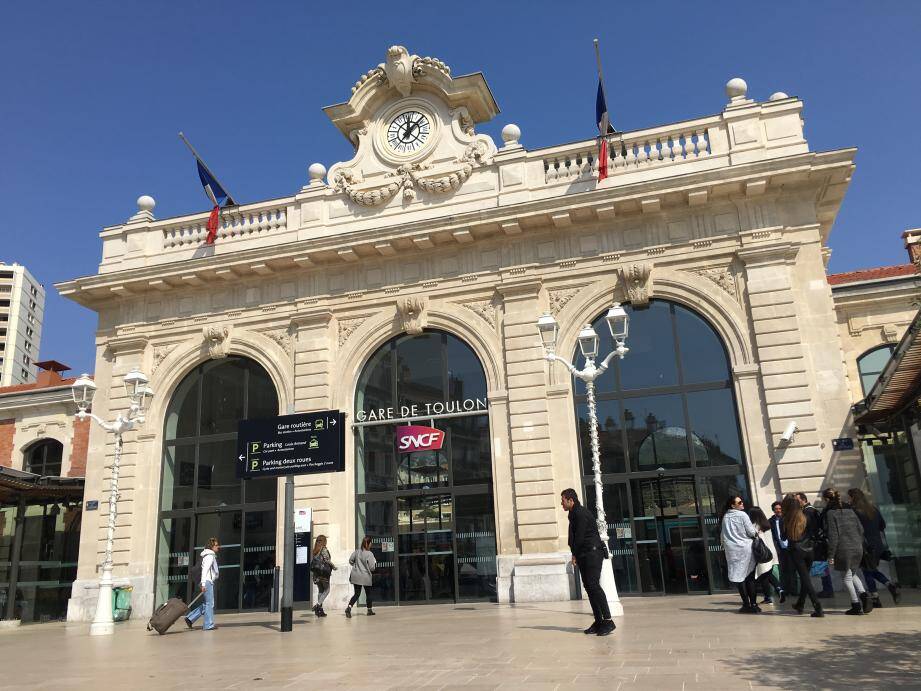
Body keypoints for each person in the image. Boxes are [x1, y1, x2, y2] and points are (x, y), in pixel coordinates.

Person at [561, 488, 615, 636]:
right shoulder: (573, 514)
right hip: (584, 553)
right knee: (589, 587)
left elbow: (579, 536)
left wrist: (574, 554)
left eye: (563, 500)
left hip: (592, 553)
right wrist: (576, 554)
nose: (561, 503)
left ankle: (608, 621)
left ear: (571, 500)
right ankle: (598, 621)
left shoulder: (580, 513)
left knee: (593, 586)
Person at [848, 488, 901, 607]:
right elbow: (883, 525)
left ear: (853, 498)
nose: (848, 499)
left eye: (849, 497)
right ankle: (888, 586)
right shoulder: (873, 509)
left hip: (865, 546)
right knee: (872, 570)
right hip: (877, 545)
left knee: (867, 572)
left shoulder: (854, 511)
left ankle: (876, 597)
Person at [823, 488, 871, 615]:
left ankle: (856, 604)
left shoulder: (830, 513)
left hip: (843, 549)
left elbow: (833, 536)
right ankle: (865, 596)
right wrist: (858, 543)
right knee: (852, 574)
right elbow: (861, 529)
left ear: (826, 500)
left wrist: (831, 554)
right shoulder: (851, 510)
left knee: (846, 578)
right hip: (857, 546)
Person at [781, 494, 824, 617]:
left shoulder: (786, 519)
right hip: (809, 550)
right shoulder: (805, 517)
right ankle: (800, 603)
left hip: (796, 551)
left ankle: (817, 606)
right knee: (806, 579)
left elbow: (783, 537)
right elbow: (813, 532)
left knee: (805, 579)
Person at [720, 495, 759, 613]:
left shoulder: (725, 517)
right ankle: (753, 604)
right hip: (746, 549)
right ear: (733, 505)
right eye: (739, 502)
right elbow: (751, 531)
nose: (742, 504)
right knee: (750, 577)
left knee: (739, 578)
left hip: (732, 551)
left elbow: (722, 535)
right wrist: (756, 533)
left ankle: (745, 604)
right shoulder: (743, 515)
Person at [796, 492, 834, 597]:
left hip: (814, 544)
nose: (796, 502)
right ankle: (826, 589)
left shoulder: (808, 511)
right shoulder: (811, 510)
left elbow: (810, 529)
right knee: (821, 566)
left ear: (803, 500)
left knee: (820, 566)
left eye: (797, 500)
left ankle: (827, 589)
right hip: (816, 543)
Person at [747, 506, 785, 604]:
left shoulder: (755, 526)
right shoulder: (766, 524)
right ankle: (777, 590)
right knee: (766, 574)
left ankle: (772, 593)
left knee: (764, 574)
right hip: (771, 552)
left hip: (762, 553)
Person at [185, 537, 220, 631]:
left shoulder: (208, 555)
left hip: (206, 581)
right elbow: (205, 570)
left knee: (206, 603)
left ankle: (190, 618)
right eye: (216, 545)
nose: (218, 547)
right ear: (211, 546)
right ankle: (208, 625)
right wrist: (204, 584)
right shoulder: (209, 556)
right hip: (207, 581)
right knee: (209, 603)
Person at [345, 536, 377, 618]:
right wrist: (374, 562)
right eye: (371, 543)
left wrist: (356, 566)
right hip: (366, 577)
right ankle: (369, 610)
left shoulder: (357, 552)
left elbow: (350, 560)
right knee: (368, 594)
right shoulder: (370, 554)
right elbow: (372, 568)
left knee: (356, 594)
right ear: (369, 544)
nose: (371, 544)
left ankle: (349, 608)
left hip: (356, 576)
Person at [769, 501, 795, 596]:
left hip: (791, 547)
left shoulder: (788, 519)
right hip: (780, 549)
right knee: (783, 570)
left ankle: (794, 590)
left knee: (792, 569)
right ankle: (786, 590)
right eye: (776, 509)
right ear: (773, 510)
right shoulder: (771, 521)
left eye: (780, 508)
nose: (778, 510)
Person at [310, 534, 336, 617]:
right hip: (323, 574)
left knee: (320, 591)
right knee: (327, 590)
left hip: (316, 574)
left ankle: (320, 611)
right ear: (324, 541)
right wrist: (334, 566)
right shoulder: (323, 549)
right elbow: (327, 560)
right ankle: (318, 605)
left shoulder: (315, 550)